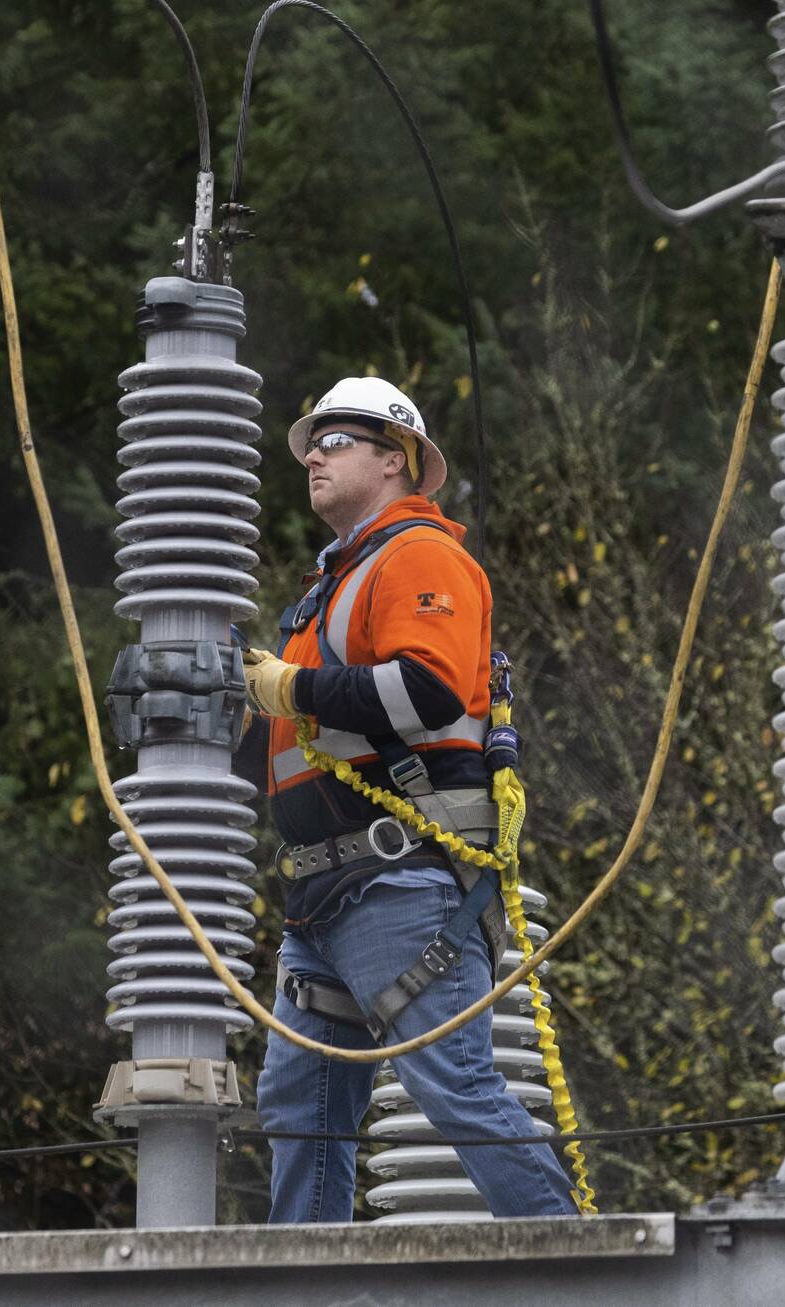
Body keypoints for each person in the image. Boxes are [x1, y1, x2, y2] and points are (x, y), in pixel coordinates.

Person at [236, 375, 578, 1223]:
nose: (313, 453)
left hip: (398, 881)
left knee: (455, 1089)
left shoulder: (421, 557)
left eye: (335, 440)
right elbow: (290, 749)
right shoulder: (329, 590)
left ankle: (585, 1268)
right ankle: (304, 1294)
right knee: (301, 1114)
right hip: (320, 897)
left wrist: (293, 688)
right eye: (313, 441)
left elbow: (424, 690)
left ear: (397, 459)